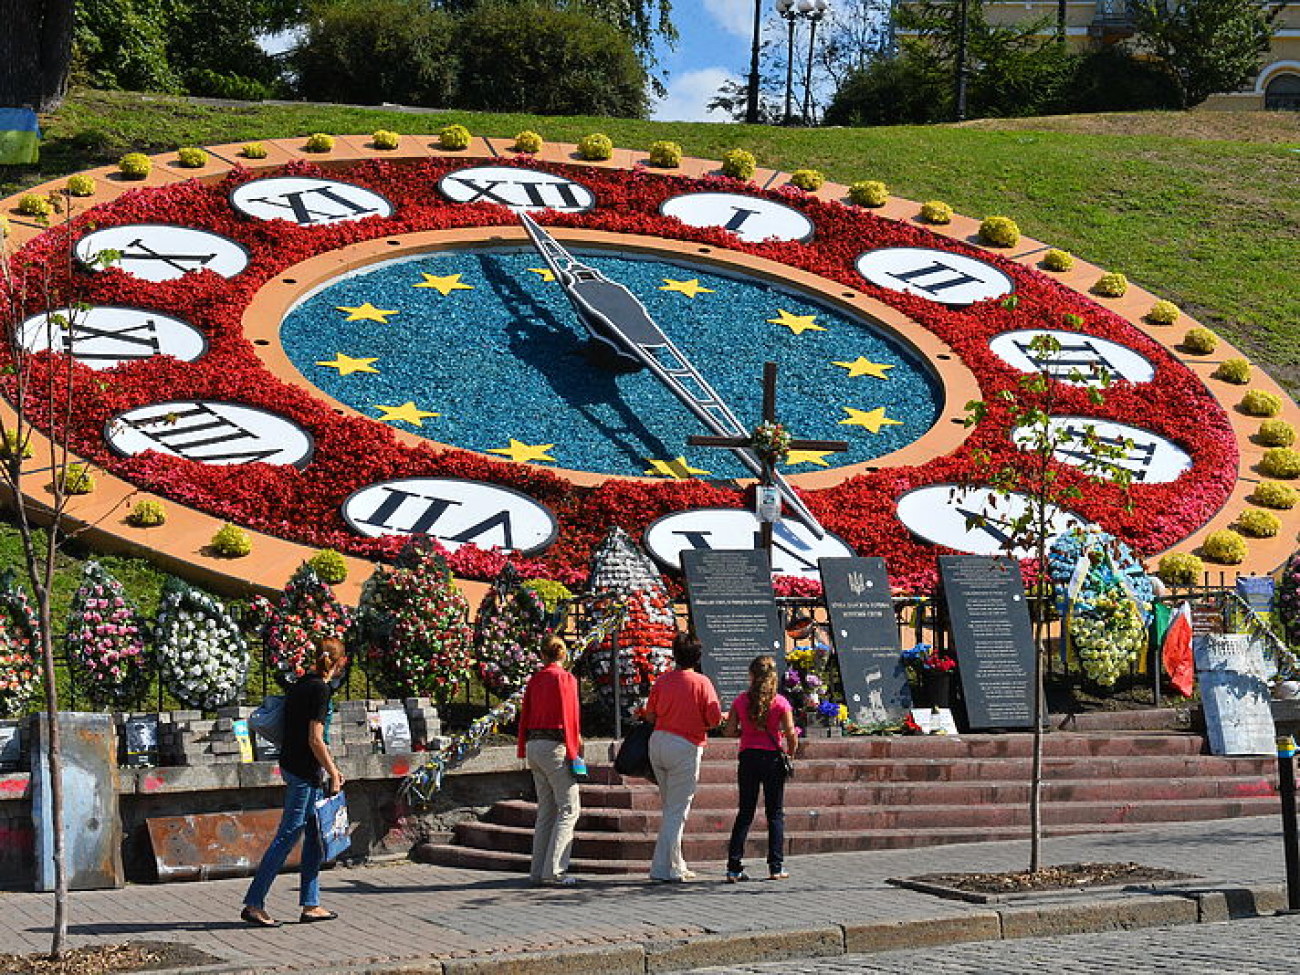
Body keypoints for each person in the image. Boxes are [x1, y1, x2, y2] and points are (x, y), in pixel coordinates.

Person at [241, 636, 347, 927]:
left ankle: (311, 904)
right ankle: (254, 903)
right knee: (288, 835)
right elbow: (315, 738)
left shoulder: (302, 684)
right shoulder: (320, 690)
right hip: (304, 772)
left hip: (293, 765)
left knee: (314, 835)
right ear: (341, 663)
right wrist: (334, 771)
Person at [641, 632, 722, 883]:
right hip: (685, 745)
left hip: (658, 742)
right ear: (697, 657)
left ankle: (676, 862)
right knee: (677, 810)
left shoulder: (662, 681)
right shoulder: (702, 682)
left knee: (670, 808)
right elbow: (714, 718)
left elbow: (651, 715)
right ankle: (664, 869)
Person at [721, 655, 798, 882]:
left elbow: (729, 731)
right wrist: (790, 753)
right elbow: (791, 733)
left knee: (745, 812)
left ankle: (734, 866)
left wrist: (745, 732)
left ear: (751, 676)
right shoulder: (781, 703)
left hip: (748, 757)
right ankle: (775, 866)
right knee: (774, 813)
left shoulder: (741, 701)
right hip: (773, 758)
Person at [516, 635, 584, 886]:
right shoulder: (565, 678)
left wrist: (523, 747)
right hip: (555, 745)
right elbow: (571, 716)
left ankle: (538, 869)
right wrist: (574, 750)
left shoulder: (535, 679)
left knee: (546, 810)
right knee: (569, 808)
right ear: (563, 654)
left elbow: (525, 714)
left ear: (543, 655)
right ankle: (555, 870)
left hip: (534, 745)